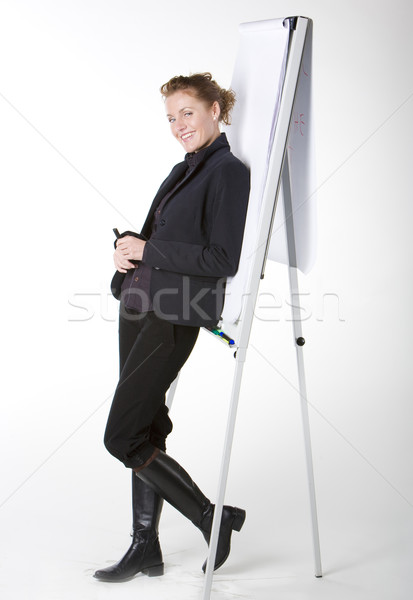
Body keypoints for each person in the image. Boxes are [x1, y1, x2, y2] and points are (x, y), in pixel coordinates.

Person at [94, 73, 250, 583]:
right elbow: (155, 236)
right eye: (170, 117)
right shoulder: (184, 168)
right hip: (139, 303)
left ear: (214, 109)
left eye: (187, 112)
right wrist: (127, 250)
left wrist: (148, 250)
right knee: (144, 427)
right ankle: (146, 547)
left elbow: (221, 257)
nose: (178, 125)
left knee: (121, 437)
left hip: (174, 312)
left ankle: (211, 516)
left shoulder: (227, 171)